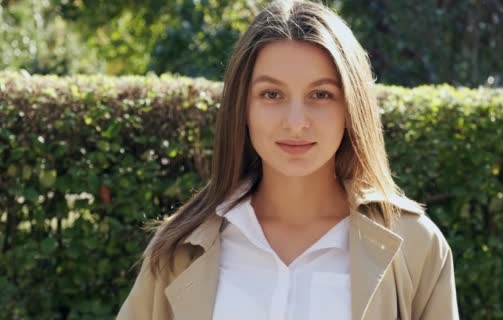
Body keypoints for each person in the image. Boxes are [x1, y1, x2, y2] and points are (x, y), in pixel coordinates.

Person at [117, 0, 459, 319]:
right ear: (243, 107)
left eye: (321, 94)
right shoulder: (177, 250)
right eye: (271, 94)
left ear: (351, 108)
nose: (296, 122)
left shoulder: (417, 246)